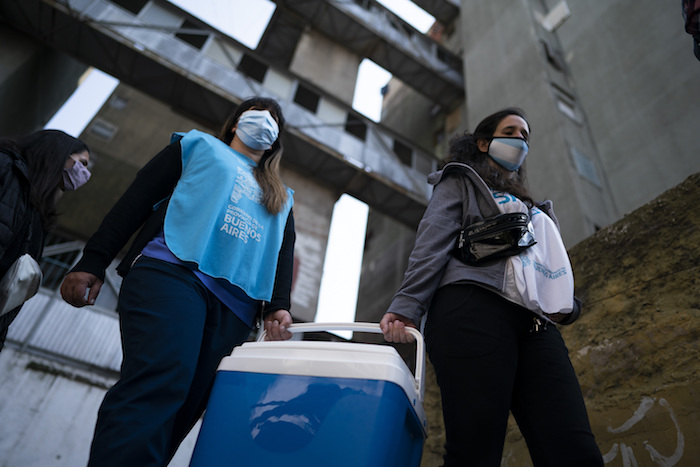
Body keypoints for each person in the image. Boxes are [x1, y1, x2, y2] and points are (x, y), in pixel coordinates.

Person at [60, 96, 296, 466]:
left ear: (274, 141)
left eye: (275, 120)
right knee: (161, 380)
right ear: (235, 123)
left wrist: (279, 306)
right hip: (173, 274)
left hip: (236, 307)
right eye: (257, 113)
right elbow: (137, 198)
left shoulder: (282, 197)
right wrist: (93, 260)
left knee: (186, 408)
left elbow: (282, 252)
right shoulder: (196, 145)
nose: (266, 119)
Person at [380, 108, 603, 466]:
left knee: (574, 450)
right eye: (510, 131)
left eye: (525, 135)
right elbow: (432, 240)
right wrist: (407, 305)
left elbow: (547, 268)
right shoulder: (460, 181)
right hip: (471, 310)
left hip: (534, 325)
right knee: (475, 451)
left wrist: (566, 304)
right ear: (484, 143)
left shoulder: (534, 208)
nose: (520, 140)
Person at [0, 129, 91, 351]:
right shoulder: (6, 166)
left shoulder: (38, 210)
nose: (84, 174)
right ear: (60, 154)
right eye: (82, 163)